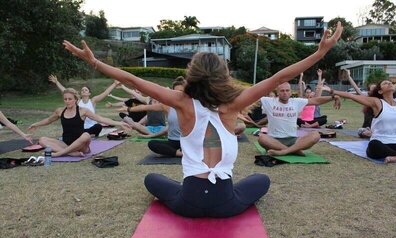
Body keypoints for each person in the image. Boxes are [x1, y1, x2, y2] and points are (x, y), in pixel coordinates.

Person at [63, 22, 342, 218]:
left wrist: (95, 62)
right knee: (261, 179)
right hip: (226, 203)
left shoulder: (181, 102)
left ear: (192, 73)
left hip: (189, 201)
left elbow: (133, 80)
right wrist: (319, 53)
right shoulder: (234, 103)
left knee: (152, 178)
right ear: (223, 74)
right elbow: (278, 78)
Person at [28, 88, 130, 157]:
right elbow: (48, 120)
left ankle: (59, 154)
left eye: (70, 99)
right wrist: (35, 124)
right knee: (42, 140)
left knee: (86, 135)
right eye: (65, 99)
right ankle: (71, 153)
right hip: (65, 143)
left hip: (81, 145)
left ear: (76, 99)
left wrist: (120, 123)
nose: (67, 101)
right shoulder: (60, 111)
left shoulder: (82, 111)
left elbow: (100, 119)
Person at [325, 81, 396, 163]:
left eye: (390, 83)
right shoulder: (377, 102)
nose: (389, 84)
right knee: (373, 145)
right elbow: (351, 96)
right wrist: (332, 91)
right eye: (385, 83)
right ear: (380, 91)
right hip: (381, 143)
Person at [258, 82, 341, 156]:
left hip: (293, 140)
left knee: (316, 135)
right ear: (278, 92)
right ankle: (293, 150)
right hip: (274, 139)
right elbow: (252, 95)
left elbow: (316, 101)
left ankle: (283, 151)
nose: (285, 93)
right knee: (262, 138)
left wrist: (333, 97)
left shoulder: (296, 102)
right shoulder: (268, 101)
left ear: (290, 92)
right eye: (282, 91)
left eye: (287, 90)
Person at [123, 76, 186, 157]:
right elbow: (145, 107)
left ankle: (180, 151)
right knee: (152, 144)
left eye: (181, 91)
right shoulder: (166, 106)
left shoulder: (190, 106)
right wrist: (129, 109)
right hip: (172, 141)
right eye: (175, 91)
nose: (178, 94)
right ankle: (179, 153)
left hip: (186, 142)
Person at [48, 74, 120, 136]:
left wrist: (114, 84)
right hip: (80, 128)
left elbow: (105, 93)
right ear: (80, 93)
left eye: (86, 90)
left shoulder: (93, 101)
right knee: (75, 130)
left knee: (98, 126)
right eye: (82, 90)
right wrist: (57, 82)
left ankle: (87, 134)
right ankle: (85, 135)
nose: (84, 91)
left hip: (92, 127)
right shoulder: (78, 101)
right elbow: (65, 91)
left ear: (89, 93)